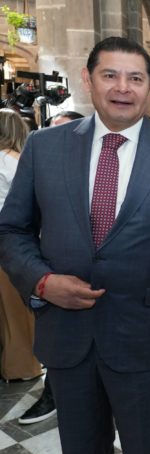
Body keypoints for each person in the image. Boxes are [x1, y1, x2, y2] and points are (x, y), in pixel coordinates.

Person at [0, 36, 150, 454]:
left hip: (144, 337)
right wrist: (42, 282)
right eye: (110, 75)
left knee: (148, 449)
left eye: (135, 78)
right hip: (67, 334)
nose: (122, 88)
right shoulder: (44, 147)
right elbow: (11, 230)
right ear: (88, 79)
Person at [17, 110, 86, 426]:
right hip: (58, 300)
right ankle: (50, 394)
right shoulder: (39, 154)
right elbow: (14, 228)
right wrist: (41, 281)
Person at [0, 108, 42, 382]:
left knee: (11, 311)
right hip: (18, 241)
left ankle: (19, 366)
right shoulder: (17, 160)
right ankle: (22, 365)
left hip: (9, 240)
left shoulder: (8, 161)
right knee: (16, 310)